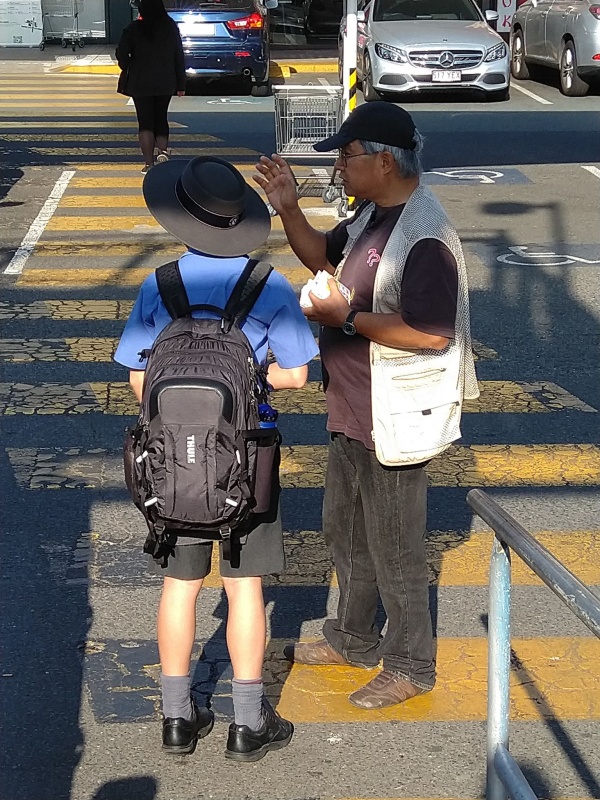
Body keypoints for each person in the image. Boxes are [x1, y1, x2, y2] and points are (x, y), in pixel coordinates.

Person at [254, 102, 479, 710]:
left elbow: (430, 333)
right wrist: (288, 207)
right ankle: (352, 637)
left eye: (347, 156)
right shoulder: (371, 216)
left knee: (396, 547)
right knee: (346, 530)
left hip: (396, 415)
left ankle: (410, 665)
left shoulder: (425, 237)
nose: (338, 166)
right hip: (353, 403)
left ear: (385, 161)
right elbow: (322, 257)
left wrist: (345, 317)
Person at [115, 155, 319, 759]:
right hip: (246, 461)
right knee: (244, 586)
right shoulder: (268, 284)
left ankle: (177, 718)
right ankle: (247, 724)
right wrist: (249, 377)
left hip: (173, 463)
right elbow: (297, 376)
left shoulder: (160, 284)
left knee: (180, 586)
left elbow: (139, 381)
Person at [116, 0, 186, 173]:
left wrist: (128, 65)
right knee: (161, 117)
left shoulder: (133, 29)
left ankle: (149, 164)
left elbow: (121, 54)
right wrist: (181, 83)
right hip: (165, 80)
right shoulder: (170, 27)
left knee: (145, 122)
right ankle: (162, 152)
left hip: (140, 81)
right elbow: (179, 56)